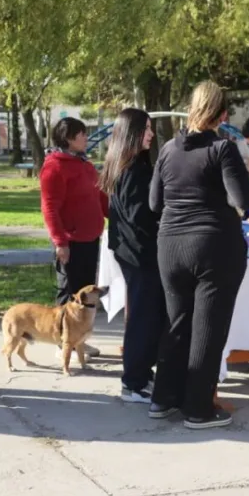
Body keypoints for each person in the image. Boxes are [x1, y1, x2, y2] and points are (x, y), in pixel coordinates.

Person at [148, 81, 249, 430]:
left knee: (177, 323)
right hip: (213, 245)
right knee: (208, 330)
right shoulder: (222, 149)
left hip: (170, 244)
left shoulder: (167, 149)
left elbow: (155, 203)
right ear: (223, 114)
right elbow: (245, 200)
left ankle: (164, 398)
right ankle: (198, 408)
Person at [99, 108, 166, 403]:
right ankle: (133, 382)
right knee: (143, 318)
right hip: (140, 254)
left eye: (151, 128)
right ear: (132, 133)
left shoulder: (124, 164)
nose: (151, 134)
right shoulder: (134, 170)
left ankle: (141, 375)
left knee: (144, 316)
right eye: (146, 129)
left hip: (131, 251)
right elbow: (142, 216)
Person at [40, 117, 109, 357]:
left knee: (84, 293)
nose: (86, 137)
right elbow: (49, 207)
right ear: (69, 138)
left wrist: (116, 216)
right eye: (81, 134)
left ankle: (78, 340)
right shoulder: (54, 166)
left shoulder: (84, 164)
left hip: (91, 239)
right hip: (71, 242)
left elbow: (99, 196)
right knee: (68, 294)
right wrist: (60, 241)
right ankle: (63, 343)